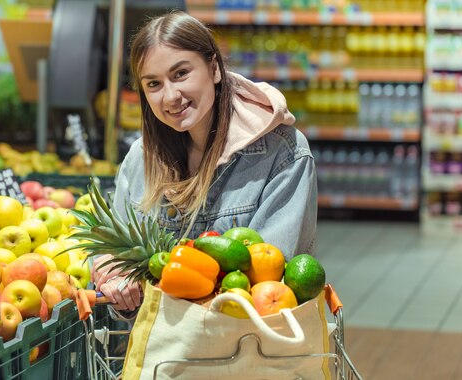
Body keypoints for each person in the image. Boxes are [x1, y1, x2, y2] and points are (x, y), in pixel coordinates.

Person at [92, 10, 317, 314]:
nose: (170, 96)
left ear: (214, 69)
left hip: (245, 347)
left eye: (181, 74)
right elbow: (114, 252)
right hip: (163, 352)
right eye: (153, 84)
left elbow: (267, 280)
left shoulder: (282, 154)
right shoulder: (141, 159)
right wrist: (112, 277)